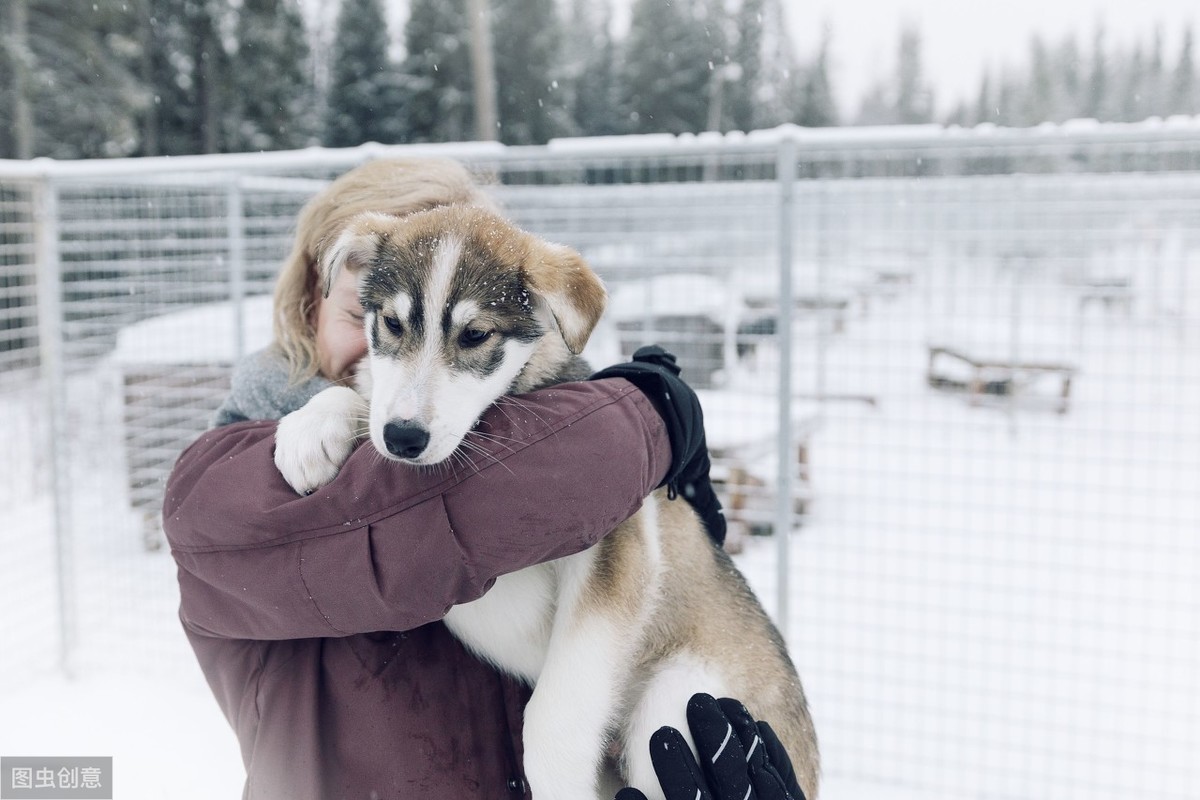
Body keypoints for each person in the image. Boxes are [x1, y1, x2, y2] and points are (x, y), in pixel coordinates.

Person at [163, 158, 803, 799]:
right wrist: (649, 419)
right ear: (312, 299)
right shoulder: (214, 481)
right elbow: (452, 499)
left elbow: (603, 548)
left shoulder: (522, 410)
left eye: (470, 334)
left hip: (692, 672)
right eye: (377, 321)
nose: (406, 404)